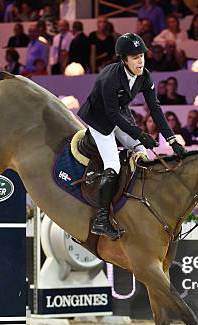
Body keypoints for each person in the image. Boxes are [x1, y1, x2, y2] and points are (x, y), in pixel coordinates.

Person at [77, 33, 186, 239]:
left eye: (142, 56)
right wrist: (139, 133)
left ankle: (138, 201)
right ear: (124, 59)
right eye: (135, 57)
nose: (140, 61)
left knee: (142, 152)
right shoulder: (110, 78)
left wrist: (172, 140)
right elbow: (110, 115)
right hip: (100, 118)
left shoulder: (144, 76)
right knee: (113, 164)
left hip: (119, 113)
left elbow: (155, 108)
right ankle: (101, 220)